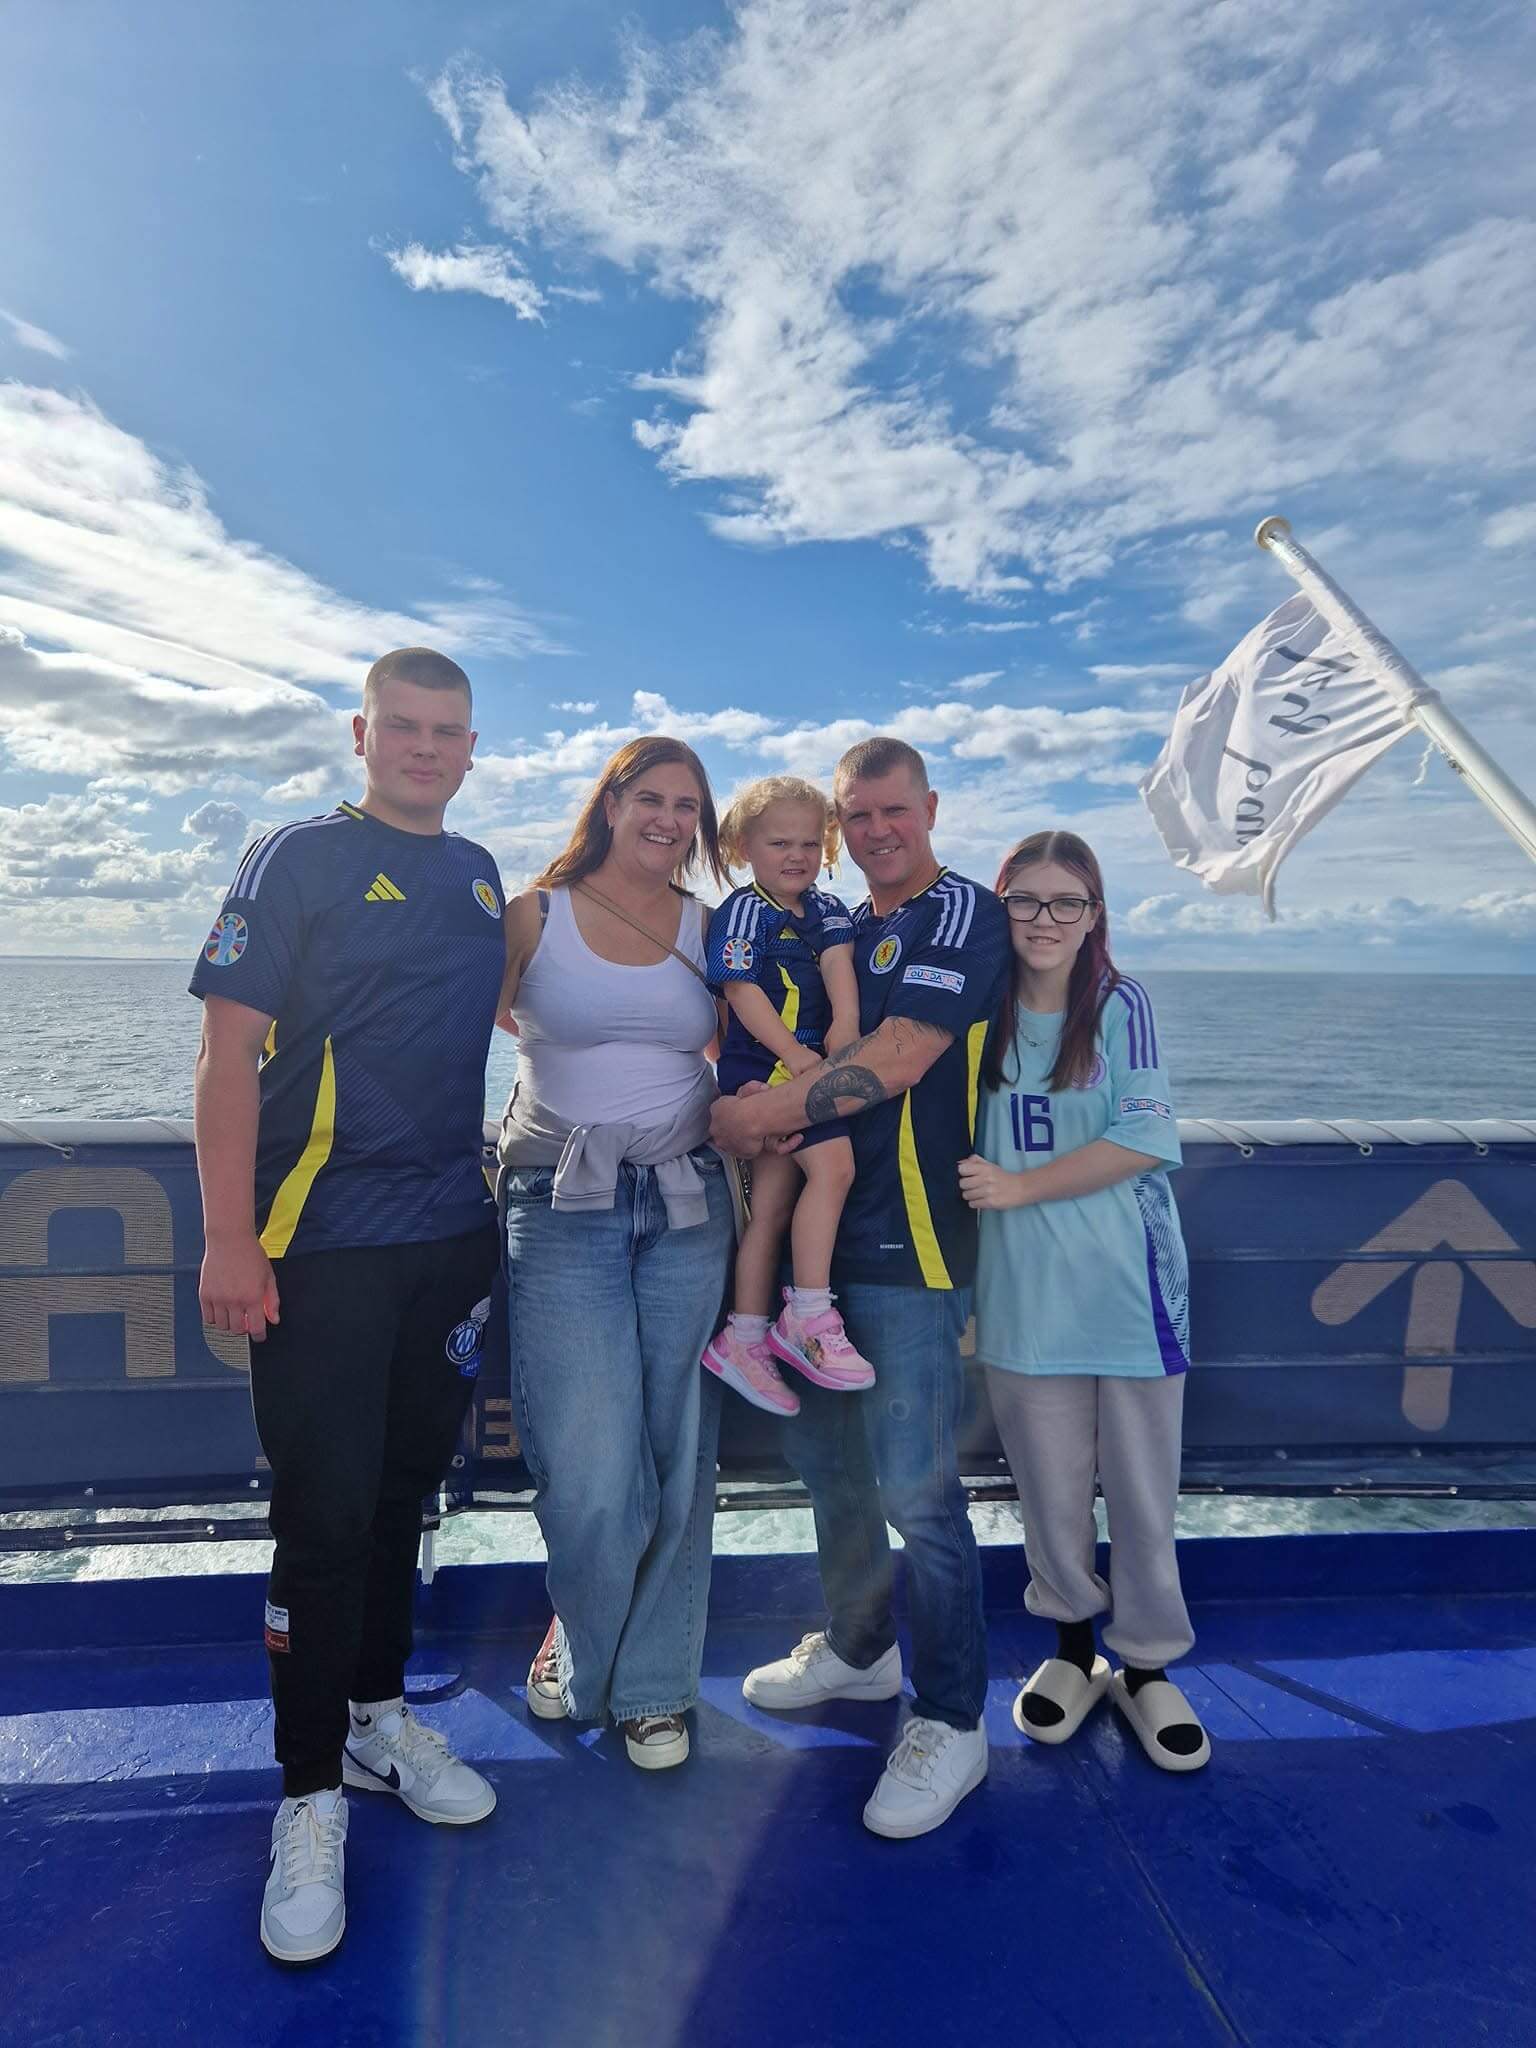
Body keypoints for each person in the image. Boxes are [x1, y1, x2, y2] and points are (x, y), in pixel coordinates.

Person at [191, 647, 506, 1966]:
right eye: (407, 728)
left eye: (450, 732)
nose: (427, 749)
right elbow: (224, 1058)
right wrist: (227, 1243)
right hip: (313, 1247)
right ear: (363, 732)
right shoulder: (297, 858)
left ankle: (379, 1716)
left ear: (472, 747)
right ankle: (307, 1795)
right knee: (319, 1525)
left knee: (395, 1504)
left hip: (446, 1247)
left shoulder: (482, 874)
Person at [710, 738, 1010, 1839]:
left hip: (915, 1250)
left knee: (920, 1495)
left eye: (894, 810)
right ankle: (860, 1646)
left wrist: (755, 1116)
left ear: (928, 807)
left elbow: (898, 1054)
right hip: (815, 1263)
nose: (878, 830)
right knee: (827, 1465)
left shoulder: (958, 913)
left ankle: (951, 1718)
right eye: (858, 815)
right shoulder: (831, 917)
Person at [497, 737, 735, 1770]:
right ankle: (583, 1641)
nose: (669, 819)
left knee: (678, 1453)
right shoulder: (533, 913)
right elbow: (476, 1024)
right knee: (589, 1464)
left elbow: (740, 1049)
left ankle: (651, 1687)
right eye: (652, 797)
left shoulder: (713, 926)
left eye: (688, 805)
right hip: (561, 1202)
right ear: (611, 801)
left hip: (686, 1200)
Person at [958, 830, 1209, 1772]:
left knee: (1143, 1493)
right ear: (1002, 905)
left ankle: (1146, 1665)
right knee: (1051, 1492)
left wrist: (1022, 1186)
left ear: (1095, 914)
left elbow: (1148, 1137)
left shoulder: (1117, 1004)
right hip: (1023, 1295)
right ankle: (1070, 1651)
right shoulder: (978, 1007)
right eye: (1026, 900)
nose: (1045, 920)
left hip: (1128, 1290)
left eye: (1068, 903)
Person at [701, 775, 871, 1416]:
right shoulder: (743, 911)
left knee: (772, 1204)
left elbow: (837, 968)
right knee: (835, 1167)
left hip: (813, 1064)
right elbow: (740, 991)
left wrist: (847, 1034)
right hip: (766, 1067)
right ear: (746, 845)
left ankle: (744, 1337)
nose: (796, 855)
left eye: (808, 842)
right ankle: (806, 1312)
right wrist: (799, 1059)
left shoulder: (828, 911)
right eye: (779, 843)